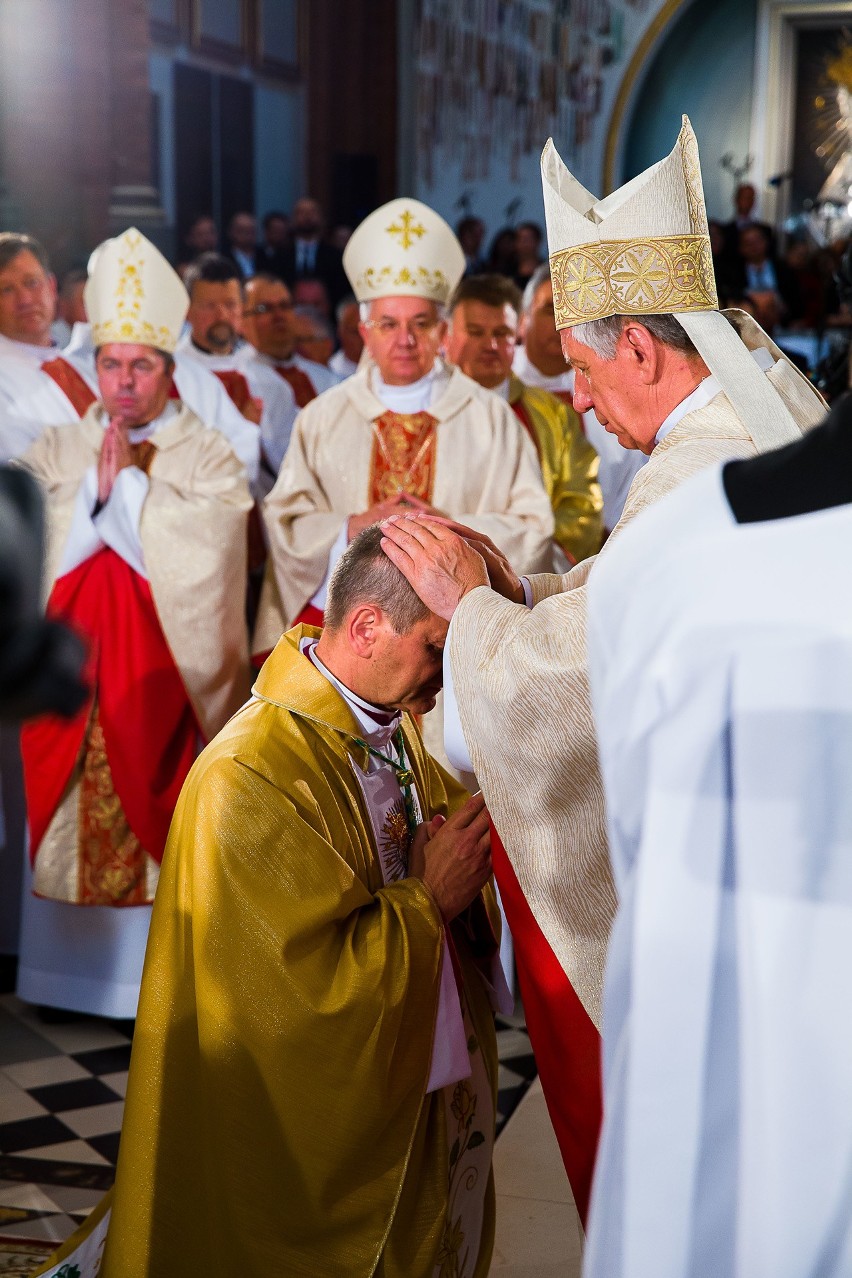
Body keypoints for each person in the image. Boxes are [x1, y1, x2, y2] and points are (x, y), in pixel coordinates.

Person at [379, 117, 827, 1224]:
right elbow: (632, 600)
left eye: (581, 367)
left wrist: (466, 611)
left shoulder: (698, 472)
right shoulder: (756, 419)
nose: (574, 398)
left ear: (640, 347)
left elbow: (565, 691)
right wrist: (528, 596)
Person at [38, 527, 508, 1278]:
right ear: (364, 628)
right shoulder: (250, 776)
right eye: (436, 648)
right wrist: (429, 901)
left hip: (414, 1080)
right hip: (300, 1133)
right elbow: (293, 999)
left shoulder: (388, 725)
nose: (444, 676)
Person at [584, 394, 852, 1278]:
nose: (580, 398)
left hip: (755, 1071)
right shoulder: (679, 545)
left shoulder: (682, 550)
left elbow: (633, 835)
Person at [14, 227, 252, 1018]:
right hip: (74, 679)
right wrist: (89, 500)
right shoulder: (60, 447)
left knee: (160, 793)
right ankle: (63, 982)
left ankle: (146, 986)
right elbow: (22, 527)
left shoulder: (208, 454)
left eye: (140, 365)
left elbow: (219, 542)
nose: (122, 382)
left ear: (168, 368)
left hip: (158, 683)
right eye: (110, 364)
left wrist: (131, 500)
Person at [254, 197, 553, 771]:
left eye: (421, 325)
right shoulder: (325, 416)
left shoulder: (487, 417)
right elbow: (287, 519)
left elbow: (532, 529)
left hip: (457, 661)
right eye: (388, 325)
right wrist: (350, 528)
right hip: (355, 653)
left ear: (444, 330)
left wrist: (448, 538)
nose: (405, 341)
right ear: (363, 329)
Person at [445, 272, 602, 567]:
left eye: (501, 333)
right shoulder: (426, 413)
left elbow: (581, 507)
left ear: (517, 332)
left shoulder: (552, 413)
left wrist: (528, 558)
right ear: (447, 336)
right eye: (477, 332)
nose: (491, 345)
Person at [513, 261, 646, 531]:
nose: (562, 323)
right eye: (550, 310)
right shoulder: (500, 387)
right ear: (522, 320)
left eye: (573, 313)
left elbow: (634, 475)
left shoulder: (614, 387)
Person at [178, 252, 298, 494]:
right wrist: (242, 430)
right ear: (187, 311)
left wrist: (262, 441)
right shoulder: (171, 376)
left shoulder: (268, 382)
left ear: (242, 309)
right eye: (209, 306)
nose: (221, 315)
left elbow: (292, 462)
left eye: (230, 305)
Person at [238, 272, 339, 406]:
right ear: (240, 319)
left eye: (285, 306)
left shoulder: (326, 380)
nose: (279, 315)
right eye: (265, 308)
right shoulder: (237, 380)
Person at [279, 195, 348, 306]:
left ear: (321, 218)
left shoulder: (335, 256)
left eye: (312, 212)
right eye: (302, 212)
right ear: (293, 219)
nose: (307, 217)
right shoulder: (280, 255)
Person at [329, 293, 364, 378]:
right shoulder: (330, 371)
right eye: (356, 332)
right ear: (340, 331)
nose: (363, 338)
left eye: (368, 331)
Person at [223, 210, 264, 280]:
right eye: (242, 230)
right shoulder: (224, 259)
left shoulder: (264, 256)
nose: (247, 234)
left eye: (251, 231)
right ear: (231, 231)